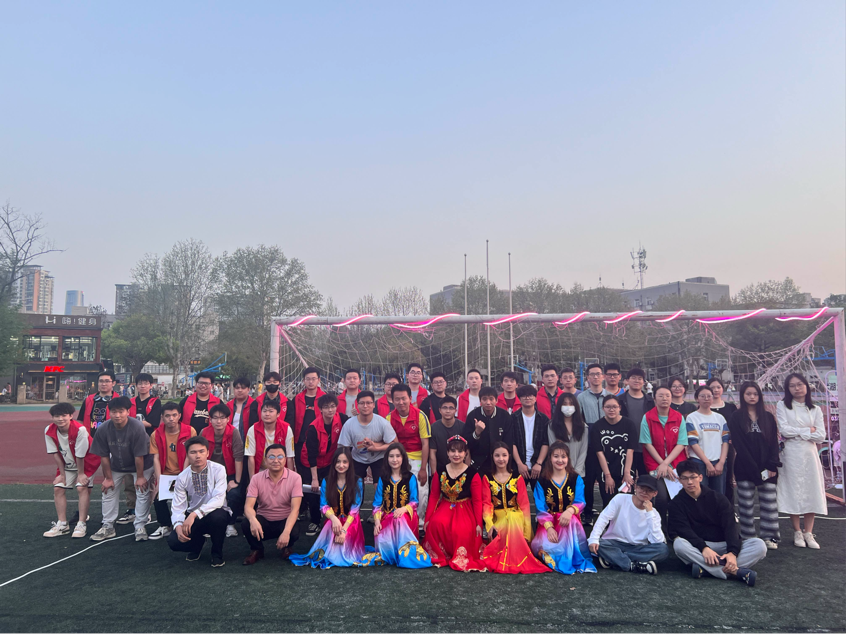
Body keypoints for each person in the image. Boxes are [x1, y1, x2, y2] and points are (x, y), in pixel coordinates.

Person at [669, 460, 766, 586]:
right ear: (679, 480)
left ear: (700, 477)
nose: (690, 482)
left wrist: (732, 552)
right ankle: (735, 571)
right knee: (679, 545)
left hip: (723, 545)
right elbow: (684, 531)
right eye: (685, 478)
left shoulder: (717, 498)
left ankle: (707, 570)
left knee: (759, 545)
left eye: (693, 477)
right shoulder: (676, 503)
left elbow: (730, 526)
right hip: (699, 547)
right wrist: (704, 548)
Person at [89, 396, 154, 542]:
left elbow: (139, 456)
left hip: (141, 464)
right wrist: (108, 478)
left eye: (121, 411)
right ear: (109, 412)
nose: (117, 415)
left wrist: (140, 477)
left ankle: (140, 525)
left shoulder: (137, 427)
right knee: (108, 490)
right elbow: (104, 456)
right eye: (114, 412)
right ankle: (108, 525)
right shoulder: (103, 428)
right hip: (117, 464)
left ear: (128, 412)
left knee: (142, 491)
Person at [481, 442, 550, 574]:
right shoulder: (487, 478)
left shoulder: (517, 478)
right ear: (492, 457)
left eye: (504, 455)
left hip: (517, 518)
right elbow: (487, 504)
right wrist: (489, 525)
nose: (501, 459)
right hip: (498, 519)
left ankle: (515, 557)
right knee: (505, 524)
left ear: (509, 456)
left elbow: (525, 506)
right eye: (497, 455)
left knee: (512, 518)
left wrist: (527, 532)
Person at [776, 372, 827, 549]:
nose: (797, 388)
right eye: (792, 385)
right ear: (787, 389)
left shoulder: (815, 409)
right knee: (793, 490)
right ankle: (797, 531)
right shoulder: (782, 406)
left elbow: (820, 436)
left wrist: (798, 432)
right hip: (790, 454)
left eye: (800, 384)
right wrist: (808, 430)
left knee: (811, 489)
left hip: (810, 454)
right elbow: (784, 430)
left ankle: (808, 532)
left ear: (806, 386)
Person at [291, 448, 366, 568]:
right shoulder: (327, 480)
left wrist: (344, 530)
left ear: (350, 463)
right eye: (338, 461)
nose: (341, 465)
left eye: (345, 462)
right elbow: (324, 505)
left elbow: (355, 509)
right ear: (333, 463)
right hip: (333, 521)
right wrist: (334, 519)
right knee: (327, 554)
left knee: (344, 553)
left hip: (351, 522)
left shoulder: (358, 481)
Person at [728, 382, 780, 549]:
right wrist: (753, 468)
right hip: (745, 467)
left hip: (768, 468)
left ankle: (769, 537)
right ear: (742, 396)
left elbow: (774, 443)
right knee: (746, 506)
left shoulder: (768, 417)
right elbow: (739, 445)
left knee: (769, 504)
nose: (752, 397)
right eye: (748, 394)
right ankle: (748, 537)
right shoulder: (736, 417)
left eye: (755, 394)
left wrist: (772, 465)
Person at [531, 441, 596, 574]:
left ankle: (568, 557)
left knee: (570, 522)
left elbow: (580, 501)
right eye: (556, 456)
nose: (560, 460)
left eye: (563, 457)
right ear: (550, 458)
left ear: (568, 459)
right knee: (541, 547)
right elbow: (540, 508)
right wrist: (549, 528)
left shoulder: (575, 479)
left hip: (570, 523)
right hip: (549, 523)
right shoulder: (542, 481)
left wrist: (569, 511)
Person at [423, 435, 486, 571]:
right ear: (447, 453)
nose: (456, 454)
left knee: (461, 529)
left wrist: (478, 524)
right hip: (445, 506)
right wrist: (427, 519)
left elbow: (477, 500)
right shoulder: (440, 471)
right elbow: (434, 496)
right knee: (435, 524)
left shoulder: (473, 474)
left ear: (465, 453)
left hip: (465, 509)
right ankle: (441, 554)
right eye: (452, 451)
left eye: (460, 451)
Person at [166, 436, 232, 567]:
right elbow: (178, 506)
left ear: (207, 453)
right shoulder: (182, 477)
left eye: (201, 451)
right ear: (187, 455)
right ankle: (198, 544)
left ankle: (217, 554)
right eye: (193, 452)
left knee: (218, 517)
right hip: (194, 517)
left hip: (215, 512)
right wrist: (178, 526)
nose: (198, 456)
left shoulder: (218, 469)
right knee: (174, 541)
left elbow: (219, 499)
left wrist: (194, 514)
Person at [366, 443, 432, 568]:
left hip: (406, 518)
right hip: (387, 517)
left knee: (399, 520)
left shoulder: (410, 477)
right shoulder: (383, 478)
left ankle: (405, 555)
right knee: (381, 534)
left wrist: (404, 509)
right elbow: (377, 504)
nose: (395, 459)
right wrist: (377, 521)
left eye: (398, 456)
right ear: (387, 459)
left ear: (403, 458)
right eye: (391, 456)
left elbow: (415, 501)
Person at [587, 474, 668, 574]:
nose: (644, 492)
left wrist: (650, 514)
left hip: (638, 547)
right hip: (614, 542)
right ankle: (632, 565)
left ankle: (613, 559)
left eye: (649, 490)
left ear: (655, 493)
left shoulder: (654, 514)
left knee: (663, 550)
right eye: (641, 488)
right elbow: (603, 518)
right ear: (636, 487)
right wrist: (593, 539)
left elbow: (658, 541)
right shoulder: (620, 499)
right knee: (597, 543)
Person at [43, 403, 99, 539]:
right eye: (57, 416)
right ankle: (62, 525)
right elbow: (55, 453)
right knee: (58, 488)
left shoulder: (80, 430)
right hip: (67, 463)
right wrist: (62, 475)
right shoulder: (49, 430)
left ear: (71, 416)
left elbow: (81, 455)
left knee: (81, 487)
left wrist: (81, 474)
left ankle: (81, 523)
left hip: (87, 462)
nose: (60, 419)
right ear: (52, 417)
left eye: (64, 415)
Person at [241, 443, 303, 565]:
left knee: (294, 531)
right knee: (246, 523)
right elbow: (248, 506)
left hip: (285, 519)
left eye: (280, 457)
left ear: (285, 459)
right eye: (271, 457)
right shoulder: (256, 478)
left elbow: (295, 509)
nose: (276, 460)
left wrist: (286, 532)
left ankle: (287, 548)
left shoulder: (295, 478)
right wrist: (253, 520)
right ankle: (257, 550)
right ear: (265, 460)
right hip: (264, 519)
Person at [640, 386, 688, 532]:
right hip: (655, 464)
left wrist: (666, 464)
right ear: (654, 399)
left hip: (676, 464)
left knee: (677, 497)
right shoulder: (647, 417)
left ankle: (677, 528)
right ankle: (661, 529)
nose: (664, 398)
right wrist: (661, 464)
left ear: (671, 398)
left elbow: (681, 443)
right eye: (660, 396)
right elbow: (647, 443)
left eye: (667, 395)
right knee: (661, 497)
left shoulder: (678, 417)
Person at [148, 402, 196, 540]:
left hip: (185, 472)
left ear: (179, 415)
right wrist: (159, 481)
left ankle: (191, 523)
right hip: (166, 474)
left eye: (174, 415)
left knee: (192, 496)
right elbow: (156, 458)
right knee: (158, 497)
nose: (171, 418)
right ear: (162, 417)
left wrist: (183, 476)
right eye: (167, 416)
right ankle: (165, 525)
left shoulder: (190, 431)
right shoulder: (156, 434)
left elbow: (190, 455)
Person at [301, 394, 348, 536]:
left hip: (329, 461)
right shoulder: (313, 427)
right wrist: (314, 478)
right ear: (320, 409)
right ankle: (315, 521)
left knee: (332, 490)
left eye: (333, 406)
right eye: (326, 407)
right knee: (314, 491)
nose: (330, 410)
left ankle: (334, 518)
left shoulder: (342, 419)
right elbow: (311, 455)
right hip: (310, 462)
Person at [386, 384, 431, 528]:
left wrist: (423, 468)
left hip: (418, 459)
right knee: (398, 490)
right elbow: (391, 444)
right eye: (397, 399)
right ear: (392, 400)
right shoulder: (389, 418)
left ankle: (420, 524)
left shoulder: (420, 416)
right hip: (398, 459)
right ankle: (400, 522)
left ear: (410, 398)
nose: (401, 402)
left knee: (421, 491)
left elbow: (425, 443)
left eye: (404, 398)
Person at [203, 403, 245, 537]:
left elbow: (238, 457)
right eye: (215, 418)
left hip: (229, 473)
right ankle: (208, 523)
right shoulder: (204, 432)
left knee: (234, 494)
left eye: (222, 418)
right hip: (210, 474)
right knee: (205, 494)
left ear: (228, 419)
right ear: (210, 419)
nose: (219, 421)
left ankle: (230, 524)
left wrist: (236, 481)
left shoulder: (233, 432)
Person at [338, 391, 397, 485]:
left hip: (379, 457)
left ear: (373, 405)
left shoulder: (382, 423)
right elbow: (343, 447)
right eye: (362, 403)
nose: (365, 406)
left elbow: (394, 444)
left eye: (368, 403)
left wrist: (376, 448)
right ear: (357, 405)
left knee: (380, 486)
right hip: (357, 457)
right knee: (355, 487)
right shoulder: (349, 424)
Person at [287, 367, 325, 510]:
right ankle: (302, 506)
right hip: (300, 441)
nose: (310, 382)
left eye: (313, 379)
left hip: (318, 442)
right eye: (308, 379)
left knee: (317, 475)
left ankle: (318, 507)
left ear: (319, 380)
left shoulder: (324, 398)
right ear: (303, 381)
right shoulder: (297, 398)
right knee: (301, 475)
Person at [591, 395, 637, 508]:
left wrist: (627, 473)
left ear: (619, 407)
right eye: (608, 407)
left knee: (626, 503)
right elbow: (599, 453)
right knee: (609, 504)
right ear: (603, 408)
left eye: (614, 407)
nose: (611, 410)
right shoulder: (597, 426)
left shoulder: (629, 424)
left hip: (625, 468)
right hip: (606, 470)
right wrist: (607, 475)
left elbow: (630, 450)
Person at [577, 363, 608, 522]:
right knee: (588, 481)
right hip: (588, 446)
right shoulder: (581, 398)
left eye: (598, 374)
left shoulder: (610, 396)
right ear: (587, 377)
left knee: (606, 480)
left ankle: (608, 514)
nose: (595, 377)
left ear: (603, 376)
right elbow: (578, 421)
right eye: (592, 374)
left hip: (607, 446)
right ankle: (587, 513)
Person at [685, 386, 730, 495]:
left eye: (709, 396)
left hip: (718, 462)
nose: (706, 398)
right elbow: (693, 442)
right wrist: (707, 463)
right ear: (697, 399)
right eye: (702, 396)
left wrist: (721, 462)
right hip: (699, 462)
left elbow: (725, 441)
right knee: (700, 495)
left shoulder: (720, 418)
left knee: (718, 496)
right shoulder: (691, 418)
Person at [464, 386, 514, 476]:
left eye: (491, 399)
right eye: (484, 399)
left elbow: (509, 442)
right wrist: (477, 432)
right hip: (477, 464)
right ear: (480, 400)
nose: (488, 402)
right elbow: (466, 442)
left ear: (496, 400)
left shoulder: (505, 416)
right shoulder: (472, 416)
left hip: (499, 463)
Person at [511, 384, 549, 487]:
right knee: (517, 495)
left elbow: (546, 443)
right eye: (524, 396)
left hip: (538, 466)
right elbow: (512, 442)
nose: (527, 398)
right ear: (519, 399)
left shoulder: (543, 419)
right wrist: (519, 464)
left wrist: (539, 463)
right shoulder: (513, 418)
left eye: (530, 395)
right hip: (518, 466)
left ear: (536, 398)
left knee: (541, 494)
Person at [245, 400, 295, 477]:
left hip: (281, 471)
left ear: (278, 414)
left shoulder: (286, 429)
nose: (267, 414)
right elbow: (250, 456)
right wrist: (252, 479)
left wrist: (290, 478)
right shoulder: (253, 429)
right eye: (264, 411)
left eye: (271, 411)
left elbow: (289, 457)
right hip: (260, 471)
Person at [620, 368, 653, 476]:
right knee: (627, 479)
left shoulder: (650, 401)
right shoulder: (620, 400)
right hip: (626, 447)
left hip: (646, 447)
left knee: (646, 479)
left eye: (640, 378)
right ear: (627, 381)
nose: (636, 381)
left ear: (643, 382)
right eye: (633, 378)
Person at [548, 393, 589, 477]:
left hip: (578, 473)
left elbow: (583, 451)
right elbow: (552, 448)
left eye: (571, 404)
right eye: (564, 404)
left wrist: (576, 472)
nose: (568, 407)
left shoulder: (583, 427)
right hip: (558, 472)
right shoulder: (552, 426)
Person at [428, 396, 462, 477]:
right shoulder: (433, 428)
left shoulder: (462, 427)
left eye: (451, 408)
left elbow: (467, 452)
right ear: (440, 410)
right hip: (440, 469)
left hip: (459, 469)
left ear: (455, 410)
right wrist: (434, 475)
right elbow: (432, 453)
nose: (448, 411)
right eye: (445, 408)